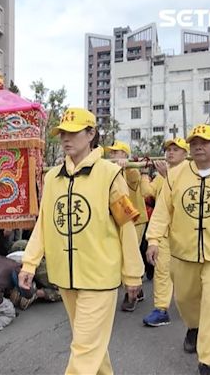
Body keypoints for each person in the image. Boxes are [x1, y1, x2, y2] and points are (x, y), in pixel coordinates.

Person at [18, 107, 144, 375]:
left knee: (84, 352)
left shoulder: (110, 174)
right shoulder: (52, 178)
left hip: (100, 277)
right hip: (66, 277)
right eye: (62, 133)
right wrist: (29, 264)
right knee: (90, 346)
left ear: (90, 134)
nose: (66, 138)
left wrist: (133, 273)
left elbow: (126, 226)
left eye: (73, 132)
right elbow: (44, 224)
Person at [146, 124, 210, 375]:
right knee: (184, 299)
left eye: (205, 142)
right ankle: (193, 326)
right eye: (194, 142)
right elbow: (162, 211)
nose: (198, 146)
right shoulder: (175, 175)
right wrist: (153, 239)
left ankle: (207, 360)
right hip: (182, 253)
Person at [141, 137, 189, 327]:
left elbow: (183, 195)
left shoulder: (191, 171)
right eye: (168, 149)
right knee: (162, 270)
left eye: (176, 149)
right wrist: (144, 175)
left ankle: (195, 309)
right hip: (164, 231)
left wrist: (168, 174)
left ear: (185, 153)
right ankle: (161, 309)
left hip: (186, 232)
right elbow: (148, 193)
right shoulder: (161, 175)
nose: (170, 152)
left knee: (188, 274)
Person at [106, 140, 147, 311]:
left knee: (129, 254)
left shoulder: (132, 170)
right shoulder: (110, 170)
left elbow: (133, 177)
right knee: (123, 253)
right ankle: (138, 289)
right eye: (112, 153)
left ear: (124, 155)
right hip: (120, 218)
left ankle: (130, 294)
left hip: (136, 219)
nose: (112, 155)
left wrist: (127, 166)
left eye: (116, 152)